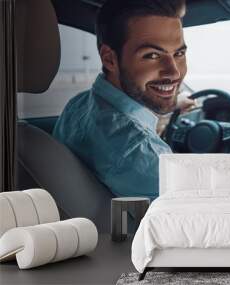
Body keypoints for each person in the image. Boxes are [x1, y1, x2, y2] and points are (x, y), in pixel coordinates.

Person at [53, 0, 192, 199]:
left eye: (179, 53)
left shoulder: (79, 106)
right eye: (152, 55)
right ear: (109, 59)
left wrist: (174, 105)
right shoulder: (140, 154)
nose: (174, 71)